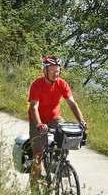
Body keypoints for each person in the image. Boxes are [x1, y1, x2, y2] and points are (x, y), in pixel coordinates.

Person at [27, 55, 87, 186]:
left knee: (66, 136)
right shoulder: (37, 85)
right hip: (37, 120)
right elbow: (33, 107)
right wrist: (39, 124)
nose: (56, 73)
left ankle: (57, 163)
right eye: (53, 70)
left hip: (54, 118)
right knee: (38, 154)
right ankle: (34, 182)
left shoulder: (62, 83)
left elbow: (72, 103)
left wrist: (81, 121)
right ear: (45, 71)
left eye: (58, 70)